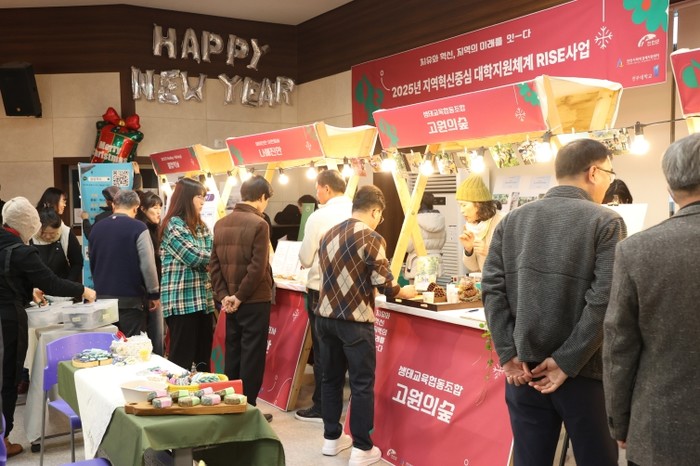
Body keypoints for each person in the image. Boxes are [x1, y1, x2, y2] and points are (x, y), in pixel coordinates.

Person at [481, 139, 626, 466]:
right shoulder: (607, 222)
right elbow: (606, 299)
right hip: (584, 374)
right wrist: (566, 361)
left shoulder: (512, 221)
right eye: (609, 173)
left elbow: (491, 288)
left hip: (524, 371)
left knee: (530, 460)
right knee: (597, 460)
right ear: (593, 172)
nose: (609, 182)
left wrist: (507, 353)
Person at [603, 134, 700, 466]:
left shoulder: (636, 250)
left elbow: (619, 347)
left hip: (660, 431)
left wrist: (619, 420)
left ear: (670, 188)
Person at [315, 185, 416, 466]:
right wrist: (405, 291)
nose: (379, 221)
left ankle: (331, 439)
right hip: (355, 320)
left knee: (330, 379)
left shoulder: (328, 234)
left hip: (324, 318)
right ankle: (362, 447)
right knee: (361, 384)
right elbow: (385, 285)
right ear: (375, 211)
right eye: (380, 216)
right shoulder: (371, 237)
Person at [0, 197, 95, 457]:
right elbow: (52, 283)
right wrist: (83, 290)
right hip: (7, 321)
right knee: (8, 377)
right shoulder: (21, 251)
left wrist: (26, 290)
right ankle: (3, 441)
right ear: (28, 224)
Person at [210, 176, 274, 416]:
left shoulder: (221, 223)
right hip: (254, 300)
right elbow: (258, 268)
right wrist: (239, 296)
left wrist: (225, 296)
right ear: (262, 197)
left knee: (234, 352)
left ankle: (231, 404)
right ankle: (248, 409)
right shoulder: (260, 224)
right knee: (252, 355)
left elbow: (214, 265)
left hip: (229, 302)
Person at [295, 170, 352, 422]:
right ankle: (348, 407)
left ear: (326, 188)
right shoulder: (357, 211)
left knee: (324, 350)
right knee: (348, 347)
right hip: (352, 291)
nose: (316, 193)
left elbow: (306, 258)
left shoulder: (318, 216)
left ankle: (323, 405)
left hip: (322, 290)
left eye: (317, 188)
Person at [160, 178, 215, 372]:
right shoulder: (173, 225)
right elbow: (193, 256)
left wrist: (208, 259)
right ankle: (177, 390)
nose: (203, 201)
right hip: (181, 300)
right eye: (199, 196)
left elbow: (210, 252)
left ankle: (204, 389)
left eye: (204, 197)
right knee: (181, 359)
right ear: (186, 198)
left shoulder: (202, 226)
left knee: (204, 357)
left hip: (203, 300)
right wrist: (209, 260)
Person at [89, 190, 160, 337]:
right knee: (131, 345)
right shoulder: (139, 228)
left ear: (113, 205)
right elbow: (147, 264)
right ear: (136, 208)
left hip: (102, 299)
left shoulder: (96, 228)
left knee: (108, 343)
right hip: (130, 300)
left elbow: (93, 261)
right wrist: (153, 294)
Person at [136, 191, 165, 356]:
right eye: (154, 207)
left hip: (155, 289)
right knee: (154, 334)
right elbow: (146, 264)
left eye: (160, 207)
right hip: (148, 290)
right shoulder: (142, 230)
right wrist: (153, 292)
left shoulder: (156, 229)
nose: (158, 211)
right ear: (143, 209)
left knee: (156, 333)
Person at [457, 174, 504, 273]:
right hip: (486, 280)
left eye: (464, 205)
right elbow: (474, 267)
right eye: (460, 205)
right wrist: (468, 250)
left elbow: (517, 259)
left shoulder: (503, 221)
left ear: (478, 204)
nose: (461, 210)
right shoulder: (471, 226)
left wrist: (490, 252)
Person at [35, 187, 84, 279]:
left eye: (52, 234)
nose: (65, 205)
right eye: (63, 201)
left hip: (62, 284)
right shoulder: (30, 232)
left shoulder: (65, 231)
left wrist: (68, 283)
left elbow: (77, 263)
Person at [403, 191, 447, 279]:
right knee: (432, 287)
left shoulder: (413, 220)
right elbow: (443, 241)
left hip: (418, 261)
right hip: (436, 260)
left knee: (416, 288)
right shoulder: (439, 220)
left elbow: (408, 246)